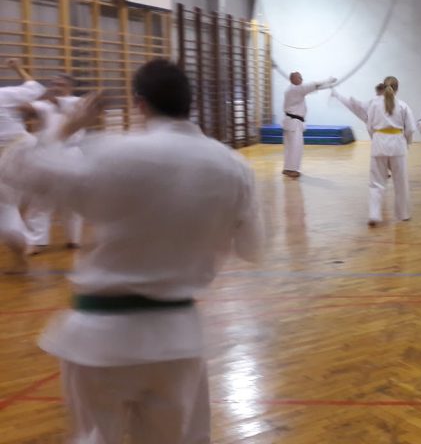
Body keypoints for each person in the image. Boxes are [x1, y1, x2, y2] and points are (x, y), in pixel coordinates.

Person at [0, 59, 263, 443]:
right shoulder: (234, 167)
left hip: (101, 339)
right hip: (178, 338)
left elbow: (18, 171)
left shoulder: (115, 153)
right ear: (188, 102)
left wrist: (65, 128)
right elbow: (253, 248)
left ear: (139, 102)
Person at [338, 76, 414, 226]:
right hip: (398, 145)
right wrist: (407, 142)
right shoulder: (403, 105)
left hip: (379, 144)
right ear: (397, 89)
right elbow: (410, 129)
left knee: (376, 182)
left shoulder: (374, 105)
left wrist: (376, 138)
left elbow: (369, 126)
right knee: (401, 182)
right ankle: (403, 214)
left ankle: (374, 214)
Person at [23, 74, 84, 251]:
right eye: (53, 83)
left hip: (70, 154)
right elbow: (26, 108)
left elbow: (59, 103)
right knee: (40, 199)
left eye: (61, 84)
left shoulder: (76, 102)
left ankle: (74, 239)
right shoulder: (45, 105)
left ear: (70, 87)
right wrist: (29, 94)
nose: (56, 86)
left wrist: (44, 93)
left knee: (72, 200)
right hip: (46, 155)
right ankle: (37, 241)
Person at [0, 58, 45, 273]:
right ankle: (23, 246)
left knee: (7, 207)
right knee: (9, 205)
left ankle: (22, 253)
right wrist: (18, 68)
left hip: (14, 151)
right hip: (24, 148)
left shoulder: (3, 95)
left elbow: (35, 90)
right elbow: (35, 88)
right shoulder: (4, 95)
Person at [279, 65, 338, 178]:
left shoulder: (290, 89)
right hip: (294, 123)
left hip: (289, 122)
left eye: (301, 77)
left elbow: (313, 88)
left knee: (289, 147)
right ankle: (293, 170)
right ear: (293, 79)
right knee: (296, 147)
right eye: (299, 77)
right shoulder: (297, 89)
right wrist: (329, 80)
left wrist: (328, 85)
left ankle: (287, 168)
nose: (302, 79)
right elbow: (314, 84)